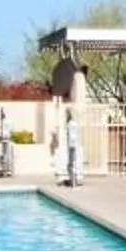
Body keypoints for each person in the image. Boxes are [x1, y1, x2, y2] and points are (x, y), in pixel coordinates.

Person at [50, 52, 84, 187]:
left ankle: (73, 174)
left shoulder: (75, 76)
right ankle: (68, 174)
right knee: (68, 147)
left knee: (74, 148)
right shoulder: (70, 73)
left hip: (71, 127)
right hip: (68, 124)